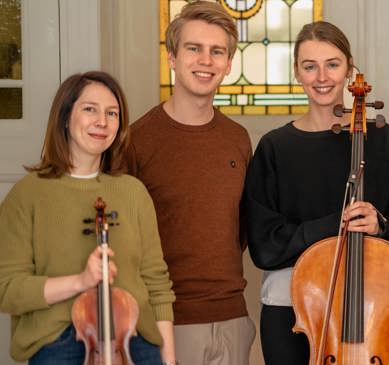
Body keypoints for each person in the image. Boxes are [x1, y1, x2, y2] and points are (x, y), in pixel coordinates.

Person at [245, 20, 389, 365]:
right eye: (310, 66)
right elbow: (265, 246)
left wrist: (380, 225)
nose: (322, 77)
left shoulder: (383, 140)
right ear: (297, 72)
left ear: (350, 69)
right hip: (293, 313)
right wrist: (335, 224)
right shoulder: (274, 148)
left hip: (369, 310)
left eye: (332, 64)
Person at [0, 71, 176, 365]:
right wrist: (81, 281)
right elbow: (7, 289)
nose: (102, 122)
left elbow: (157, 284)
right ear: (65, 117)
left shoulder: (133, 192)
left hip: (135, 343)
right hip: (57, 340)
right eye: (90, 109)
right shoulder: (27, 195)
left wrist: (169, 359)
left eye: (112, 113)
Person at [125, 2, 254, 364]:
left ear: (228, 65)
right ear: (172, 57)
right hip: (165, 321)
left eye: (217, 52)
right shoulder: (136, 140)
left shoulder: (238, 139)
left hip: (232, 318)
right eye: (193, 48)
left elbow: (241, 227)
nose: (205, 60)